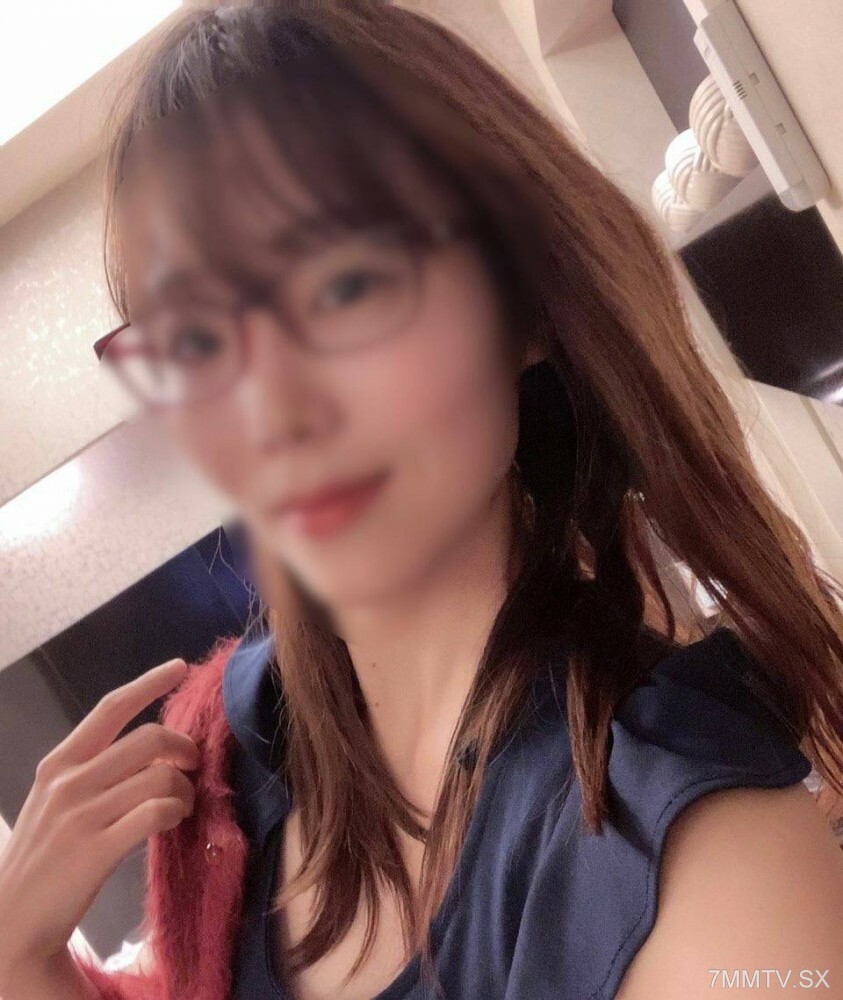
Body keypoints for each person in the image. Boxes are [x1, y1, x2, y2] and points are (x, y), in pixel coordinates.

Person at [1, 2, 842, 998]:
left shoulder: (712, 875)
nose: (272, 410)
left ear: (523, 301)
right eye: (194, 341)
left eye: (344, 287)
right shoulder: (219, 763)